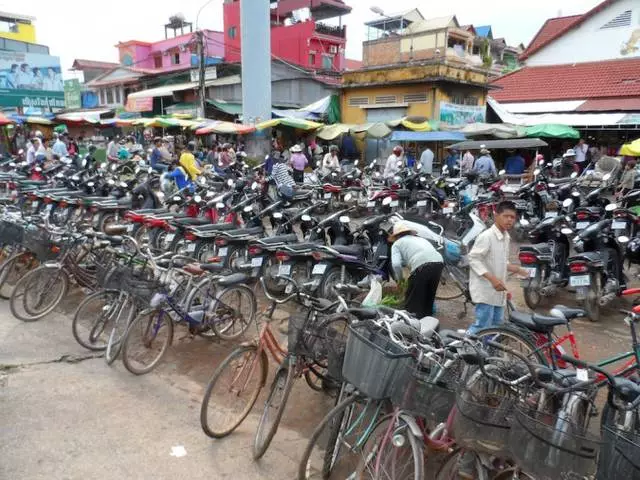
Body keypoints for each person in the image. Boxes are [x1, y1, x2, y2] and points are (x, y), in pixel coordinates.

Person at [467, 201, 529, 334]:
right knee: (482, 327)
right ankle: (464, 350)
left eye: (512, 217)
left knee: (496, 327)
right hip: (485, 290)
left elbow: (502, 262)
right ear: (496, 216)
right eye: (506, 216)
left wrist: (518, 270)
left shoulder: (506, 237)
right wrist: (492, 279)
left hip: (499, 291)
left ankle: (487, 352)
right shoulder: (487, 236)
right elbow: (473, 258)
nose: (509, 220)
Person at [389, 223, 444, 318]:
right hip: (439, 262)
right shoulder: (420, 239)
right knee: (428, 297)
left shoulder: (397, 244)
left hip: (422, 266)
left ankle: (412, 324)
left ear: (397, 236)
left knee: (413, 299)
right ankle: (428, 323)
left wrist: (400, 279)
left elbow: (396, 265)